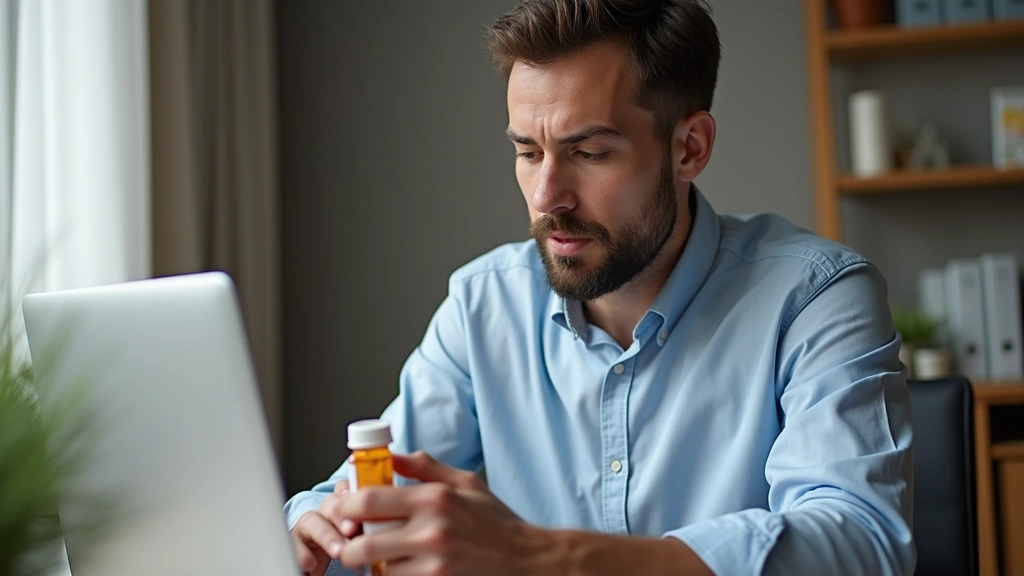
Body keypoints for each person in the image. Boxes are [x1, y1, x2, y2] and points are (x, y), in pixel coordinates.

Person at [284, 1, 915, 574]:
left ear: (689, 148)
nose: (546, 198)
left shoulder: (815, 297)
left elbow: (861, 541)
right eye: (528, 153)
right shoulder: (483, 307)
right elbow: (350, 500)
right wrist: (309, 531)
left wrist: (538, 556)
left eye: (589, 153)